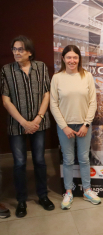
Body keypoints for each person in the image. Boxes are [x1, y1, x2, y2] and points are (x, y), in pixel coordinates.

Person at [1, 35, 55, 217]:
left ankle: (42, 196)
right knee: (19, 163)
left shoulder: (41, 67)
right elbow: (6, 100)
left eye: (20, 49)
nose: (16, 52)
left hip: (39, 123)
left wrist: (38, 118)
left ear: (30, 52)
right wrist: (24, 122)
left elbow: (47, 93)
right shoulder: (6, 70)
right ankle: (21, 200)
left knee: (40, 161)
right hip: (17, 125)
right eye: (14, 49)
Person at [50, 45, 101, 210]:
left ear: (79, 59)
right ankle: (68, 191)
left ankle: (87, 190)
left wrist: (86, 124)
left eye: (75, 57)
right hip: (64, 127)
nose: (72, 61)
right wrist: (64, 127)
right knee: (68, 160)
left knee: (85, 158)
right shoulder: (57, 78)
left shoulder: (87, 76)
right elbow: (53, 104)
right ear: (63, 59)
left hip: (84, 125)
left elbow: (93, 102)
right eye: (68, 57)